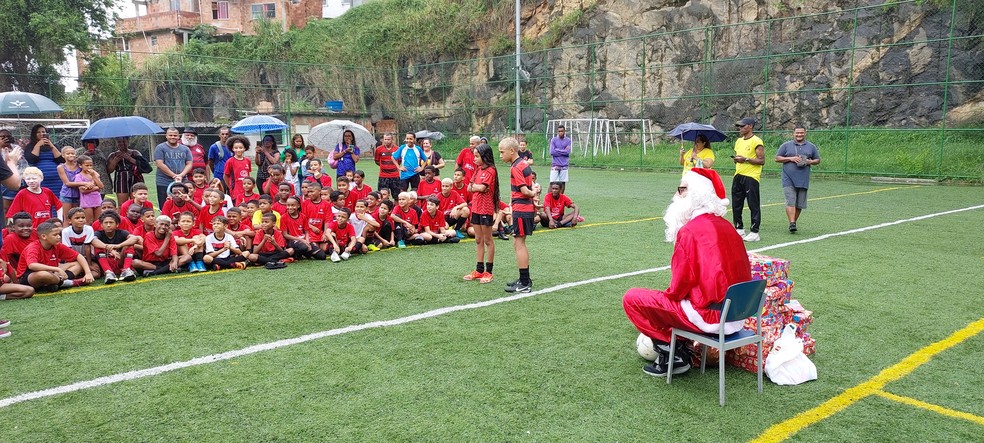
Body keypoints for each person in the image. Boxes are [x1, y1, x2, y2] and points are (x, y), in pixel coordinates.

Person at [622, 168, 751, 377]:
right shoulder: (728, 227)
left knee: (632, 299)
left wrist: (667, 300)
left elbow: (679, 286)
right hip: (737, 314)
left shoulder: (689, 231)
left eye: (681, 190)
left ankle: (673, 354)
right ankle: (678, 350)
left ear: (695, 194)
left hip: (708, 316)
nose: (676, 196)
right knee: (668, 300)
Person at [499, 137, 536, 293]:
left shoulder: (516, 167)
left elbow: (525, 191)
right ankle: (523, 279)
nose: (500, 156)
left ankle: (525, 282)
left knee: (519, 244)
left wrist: (533, 193)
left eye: (502, 152)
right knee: (518, 243)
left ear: (512, 151)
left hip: (522, 209)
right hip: (524, 208)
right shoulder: (523, 164)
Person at [16, 220, 95, 291]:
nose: (59, 237)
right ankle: (68, 283)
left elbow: (78, 256)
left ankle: (51, 284)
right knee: (43, 275)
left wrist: (88, 273)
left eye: (59, 234)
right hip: (31, 277)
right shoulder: (33, 247)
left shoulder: (57, 245)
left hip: (52, 273)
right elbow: (32, 265)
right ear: (44, 236)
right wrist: (58, 269)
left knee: (78, 264)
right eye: (55, 235)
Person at [462, 143, 499, 284]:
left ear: (485, 156)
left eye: (477, 156)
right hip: (476, 208)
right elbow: (470, 187)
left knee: (488, 240)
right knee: (478, 239)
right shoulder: (478, 170)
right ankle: (478, 270)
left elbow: (482, 188)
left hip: (486, 209)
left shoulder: (491, 170)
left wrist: (476, 187)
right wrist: (476, 187)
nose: (474, 159)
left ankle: (488, 272)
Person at [775, 126, 821, 233]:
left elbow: (817, 160)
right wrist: (791, 158)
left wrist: (810, 162)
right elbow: (777, 158)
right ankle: (792, 223)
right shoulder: (786, 145)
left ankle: (793, 222)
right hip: (788, 178)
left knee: (799, 203)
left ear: (805, 133)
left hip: (803, 179)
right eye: (797, 133)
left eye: (801, 133)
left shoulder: (811, 147)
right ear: (793, 133)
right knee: (790, 200)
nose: (799, 135)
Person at [731, 117, 766, 242]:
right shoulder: (739, 141)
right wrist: (737, 159)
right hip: (738, 174)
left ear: (750, 126)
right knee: (736, 203)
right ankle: (739, 228)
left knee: (753, 204)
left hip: (751, 177)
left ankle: (754, 231)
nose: (740, 129)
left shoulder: (756, 141)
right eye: (739, 126)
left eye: (742, 126)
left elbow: (761, 160)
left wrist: (745, 159)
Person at [93, 210, 140, 284]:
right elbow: (93, 241)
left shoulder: (122, 232)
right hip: (106, 262)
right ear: (101, 225)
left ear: (117, 224)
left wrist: (118, 246)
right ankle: (109, 273)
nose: (108, 225)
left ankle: (126, 270)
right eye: (106, 223)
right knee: (98, 247)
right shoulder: (99, 233)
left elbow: (135, 238)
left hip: (119, 260)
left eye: (111, 222)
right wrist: (108, 248)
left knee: (130, 245)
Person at [153, 127, 193, 209]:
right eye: (170, 135)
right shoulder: (160, 148)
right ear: (166, 136)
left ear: (179, 137)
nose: (173, 137)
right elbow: (159, 164)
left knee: (183, 203)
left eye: (175, 135)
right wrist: (174, 175)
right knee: (164, 204)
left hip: (182, 181)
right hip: (164, 181)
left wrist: (181, 175)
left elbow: (189, 163)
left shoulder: (185, 149)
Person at [23, 124, 65, 196]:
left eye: (43, 132)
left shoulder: (54, 145)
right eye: (38, 132)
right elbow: (32, 159)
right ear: (34, 134)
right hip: (39, 179)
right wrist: (38, 145)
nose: (41, 134)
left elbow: (61, 159)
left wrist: (51, 146)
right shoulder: (30, 147)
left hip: (56, 179)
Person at [105, 137, 146, 205]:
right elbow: (109, 170)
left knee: (137, 202)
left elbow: (143, 165)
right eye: (119, 142)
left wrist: (129, 158)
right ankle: (122, 215)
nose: (122, 144)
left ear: (128, 142)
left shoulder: (135, 153)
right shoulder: (113, 155)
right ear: (116, 143)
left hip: (135, 177)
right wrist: (115, 160)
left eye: (124, 142)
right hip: (121, 179)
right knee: (122, 204)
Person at [0, 129, 26, 223]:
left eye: (8, 136)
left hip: (20, 177)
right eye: (3, 137)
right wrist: (11, 161)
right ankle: (7, 228)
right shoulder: (2, 151)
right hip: (7, 181)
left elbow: (24, 162)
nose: (6, 139)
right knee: (6, 207)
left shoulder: (16, 148)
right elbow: (14, 184)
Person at [73, 155, 104, 224]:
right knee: (88, 221)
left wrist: (93, 176)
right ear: (80, 165)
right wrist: (96, 188)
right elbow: (82, 191)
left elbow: (101, 186)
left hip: (97, 200)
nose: (89, 167)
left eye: (91, 165)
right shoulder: (79, 176)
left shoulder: (94, 174)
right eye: (87, 165)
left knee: (98, 221)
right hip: (87, 202)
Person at [56, 146, 82, 216]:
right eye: (68, 154)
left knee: (77, 216)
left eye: (72, 153)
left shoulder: (80, 166)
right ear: (63, 155)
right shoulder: (61, 167)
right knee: (67, 217)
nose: (71, 155)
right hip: (66, 195)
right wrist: (84, 183)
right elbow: (67, 183)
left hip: (79, 194)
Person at [374, 133, 401, 198]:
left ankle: (395, 208)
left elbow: (399, 161)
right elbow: (377, 161)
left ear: (392, 140)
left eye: (388, 139)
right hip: (383, 176)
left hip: (395, 176)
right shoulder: (379, 149)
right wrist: (385, 167)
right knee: (382, 196)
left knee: (397, 196)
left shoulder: (398, 149)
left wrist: (393, 167)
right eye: (385, 139)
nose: (386, 141)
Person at [549, 125, 572, 194]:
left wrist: (557, 150)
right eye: (559, 131)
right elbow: (552, 152)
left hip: (564, 165)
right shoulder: (554, 140)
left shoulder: (568, 140)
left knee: (562, 183)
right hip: (555, 165)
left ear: (564, 131)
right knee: (552, 182)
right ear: (557, 132)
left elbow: (567, 152)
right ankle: (548, 199)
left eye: (562, 131)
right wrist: (563, 151)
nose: (560, 133)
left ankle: (561, 198)